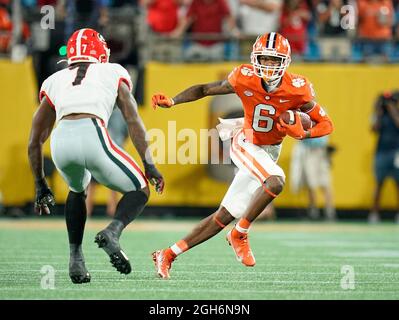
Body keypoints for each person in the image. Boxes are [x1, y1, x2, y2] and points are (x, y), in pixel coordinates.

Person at [151, 32, 334, 279]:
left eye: (274, 59)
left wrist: (303, 134)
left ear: (285, 61)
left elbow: (325, 124)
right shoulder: (244, 77)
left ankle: (168, 254)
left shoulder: (298, 89)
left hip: (269, 150)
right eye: (264, 59)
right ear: (255, 58)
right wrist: (173, 100)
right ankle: (240, 232)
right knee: (276, 180)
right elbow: (204, 89)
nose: (268, 65)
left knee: (224, 215)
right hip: (245, 140)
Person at [28, 28, 164, 284]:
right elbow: (133, 120)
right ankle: (112, 232)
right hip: (92, 132)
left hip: (61, 142)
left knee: (77, 189)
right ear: (101, 52)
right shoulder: (113, 71)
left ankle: (76, 259)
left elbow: (35, 140)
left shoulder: (54, 79)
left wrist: (40, 183)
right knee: (140, 189)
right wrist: (149, 164)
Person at [86, 108, 129, 217]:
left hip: (98, 149)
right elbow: (126, 132)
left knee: (91, 185)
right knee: (114, 186)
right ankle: (112, 213)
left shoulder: (99, 107)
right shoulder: (122, 112)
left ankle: (86, 212)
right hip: (116, 151)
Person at [369, 91, 399, 223]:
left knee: (398, 184)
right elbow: (373, 128)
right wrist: (379, 112)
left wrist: (392, 110)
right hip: (381, 152)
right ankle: (374, 213)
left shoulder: (396, 113)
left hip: (396, 152)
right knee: (379, 183)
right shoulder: (380, 115)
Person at [290, 136, 336, 220]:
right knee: (311, 184)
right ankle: (313, 211)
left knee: (325, 183)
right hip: (309, 151)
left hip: (322, 151)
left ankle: (330, 212)